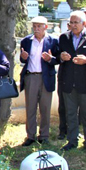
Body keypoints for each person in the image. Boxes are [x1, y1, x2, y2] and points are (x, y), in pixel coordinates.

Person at [58, 11, 86, 157]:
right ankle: (72, 140)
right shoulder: (64, 37)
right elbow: (57, 54)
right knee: (70, 113)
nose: (73, 25)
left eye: (76, 22)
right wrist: (61, 56)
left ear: (84, 23)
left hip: (85, 83)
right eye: (71, 22)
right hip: (68, 82)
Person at [19, 16, 59, 146]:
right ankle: (30, 136)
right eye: (34, 26)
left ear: (45, 27)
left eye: (39, 26)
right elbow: (23, 59)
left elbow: (58, 59)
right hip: (31, 76)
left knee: (45, 108)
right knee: (31, 107)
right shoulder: (26, 41)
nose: (36, 29)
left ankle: (44, 135)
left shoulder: (53, 41)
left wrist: (50, 59)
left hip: (46, 76)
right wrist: (23, 57)